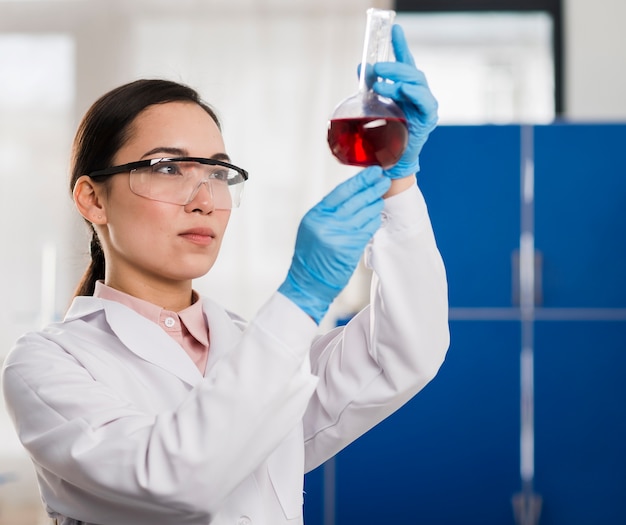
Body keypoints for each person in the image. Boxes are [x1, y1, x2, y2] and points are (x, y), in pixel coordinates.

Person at [2, 24, 448, 525]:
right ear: (92, 198)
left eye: (218, 173)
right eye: (168, 168)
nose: (205, 200)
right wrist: (300, 298)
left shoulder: (251, 349)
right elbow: (174, 478)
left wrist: (398, 180)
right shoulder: (49, 364)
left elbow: (406, 350)